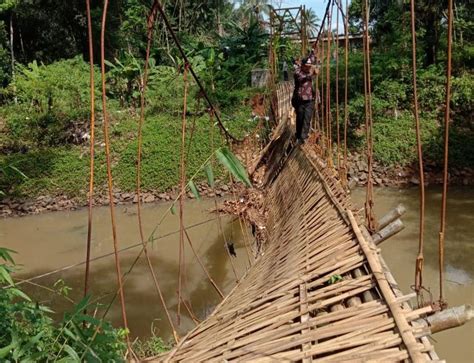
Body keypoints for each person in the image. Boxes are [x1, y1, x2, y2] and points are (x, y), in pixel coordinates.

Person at [292, 53, 316, 144]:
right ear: (302, 65)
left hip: (309, 100)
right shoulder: (298, 72)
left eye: (310, 66)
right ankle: (298, 135)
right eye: (307, 66)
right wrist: (312, 74)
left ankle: (303, 138)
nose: (309, 68)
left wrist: (313, 50)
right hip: (300, 100)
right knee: (300, 118)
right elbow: (301, 78)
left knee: (307, 119)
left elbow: (311, 57)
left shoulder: (308, 69)